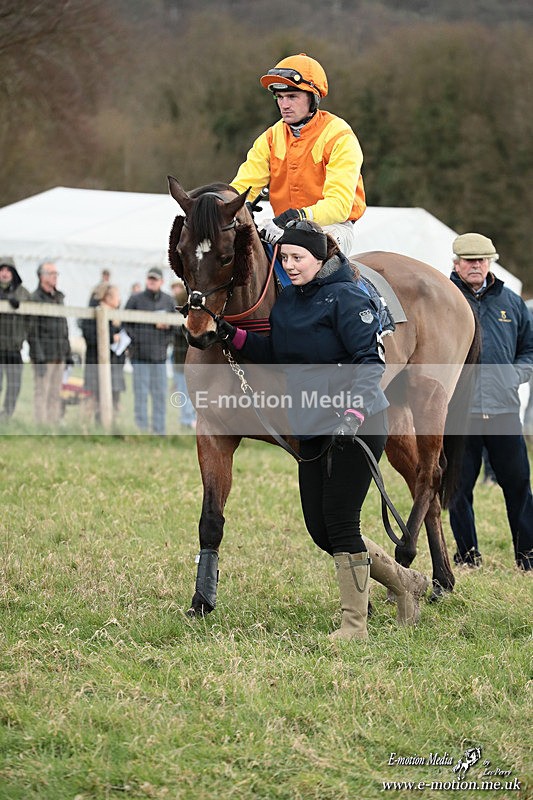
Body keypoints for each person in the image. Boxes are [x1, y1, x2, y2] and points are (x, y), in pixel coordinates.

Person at [215, 221, 429, 641]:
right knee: (319, 528)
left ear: (320, 258)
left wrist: (353, 412)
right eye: (286, 258)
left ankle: (354, 626)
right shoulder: (289, 302)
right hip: (311, 425)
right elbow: (277, 352)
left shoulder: (349, 297)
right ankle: (406, 582)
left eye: (298, 258)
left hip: (358, 423)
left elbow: (371, 360)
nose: (290, 266)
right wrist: (232, 336)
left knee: (341, 521)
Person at [449, 232, 533, 571]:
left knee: (519, 488)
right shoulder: (443, 298)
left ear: (490, 263)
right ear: (455, 263)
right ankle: (468, 557)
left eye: (481, 260)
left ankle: (527, 557)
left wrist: (515, 375)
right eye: (469, 260)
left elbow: (529, 349)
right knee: (457, 491)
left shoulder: (511, 303)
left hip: (503, 411)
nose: (475, 266)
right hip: (458, 415)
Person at [230, 53, 366, 255]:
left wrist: (294, 218)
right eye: (280, 97)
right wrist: (228, 207)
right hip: (282, 228)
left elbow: (339, 205)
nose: (284, 105)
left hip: (331, 228)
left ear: (313, 98)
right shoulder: (269, 138)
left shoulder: (339, 136)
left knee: (303, 254)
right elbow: (242, 187)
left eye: (292, 97)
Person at [125, 267, 175, 435]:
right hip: (140, 357)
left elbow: (176, 328)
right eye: (150, 278)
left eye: (155, 279)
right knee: (140, 394)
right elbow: (126, 324)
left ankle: (159, 431)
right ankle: (141, 430)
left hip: (160, 357)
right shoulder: (135, 299)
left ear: (161, 281)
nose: (152, 281)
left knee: (160, 395)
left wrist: (167, 332)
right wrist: (136, 341)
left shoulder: (169, 301)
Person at [27, 261, 73, 426]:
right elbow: (32, 331)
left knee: (55, 392)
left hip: (59, 353)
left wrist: (67, 353)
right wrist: (38, 356)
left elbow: (64, 326)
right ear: (42, 276)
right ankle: (41, 425)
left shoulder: (59, 298)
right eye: (52, 273)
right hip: (44, 355)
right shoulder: (35, 298)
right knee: (42, 391)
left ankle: (53, 424)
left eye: (56, 273)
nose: (55, 276)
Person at [80, 283, 125, 421]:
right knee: (92, 398)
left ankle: (109, 427)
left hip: (114, 366)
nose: (119, 299)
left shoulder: (117, 316)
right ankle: (86, 428)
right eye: (117, 296)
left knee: (113, 400)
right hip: (95, 364)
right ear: (107, 297)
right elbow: (90, 337)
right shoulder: (92, 313)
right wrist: (112, 336)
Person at [0, 256, 30, 419]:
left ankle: (7, 414)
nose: (4, 274)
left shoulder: (23, 293)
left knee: (14, 384)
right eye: (2, 270)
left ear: (13, 272)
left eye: (8, 270)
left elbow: (31, 319)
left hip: (14, 347)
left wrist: (22, 336)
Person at [170, 280, 196, 429]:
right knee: (185, 391)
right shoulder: (179, 299)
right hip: (182, 357)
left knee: (191, 392)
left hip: (191, 358)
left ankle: (190, 420)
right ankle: (187, 421)